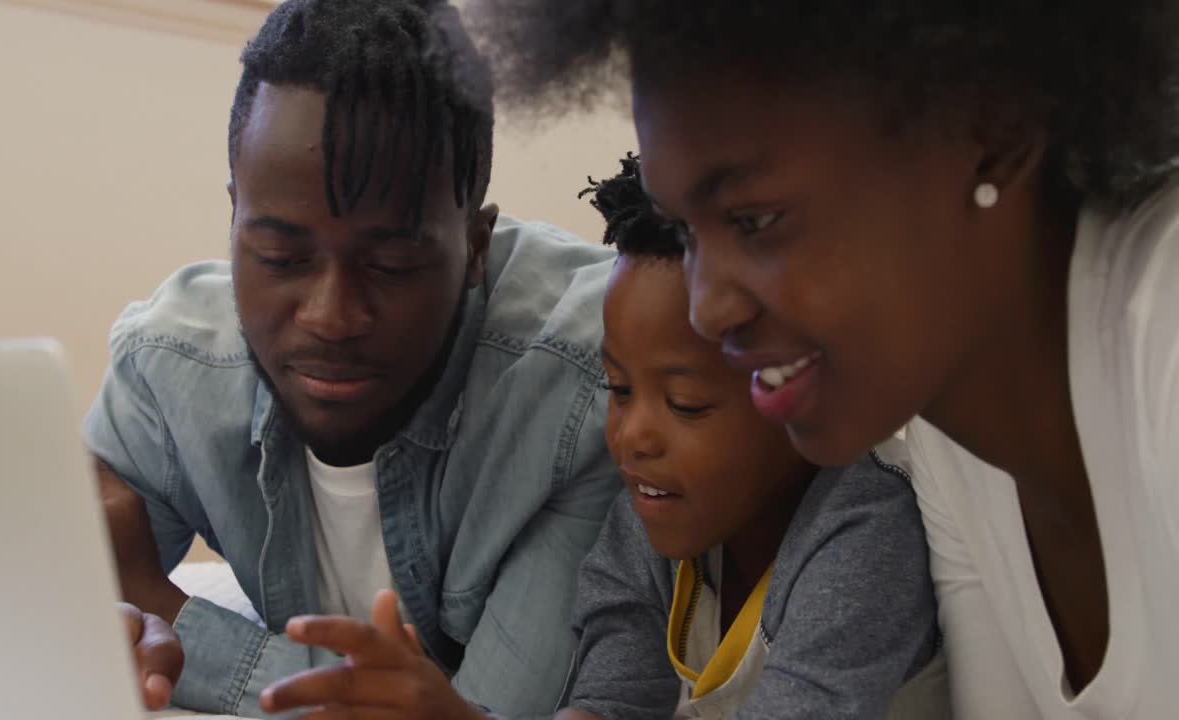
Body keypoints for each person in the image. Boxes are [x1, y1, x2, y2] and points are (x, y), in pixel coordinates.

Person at [464, 2, 1179, 718]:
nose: (709, 308)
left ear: (989, 127)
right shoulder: (946, 443)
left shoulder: (1162, 334)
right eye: (688, 229)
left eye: (754, 219)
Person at [257, 155, 948, 720]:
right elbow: (609, 707)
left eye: (686, 404)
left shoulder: (863, 533)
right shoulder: (648, 529)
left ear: (803, 387)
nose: (633, 437)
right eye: (618, 390)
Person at [89, 0, 621, 716]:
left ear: (475, 246)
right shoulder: (168, 368)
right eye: (281, 257)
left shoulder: (589, 381)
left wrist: (178, 619)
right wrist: (124, 617)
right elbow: (68, 612)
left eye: (394, 264)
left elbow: (483, 713)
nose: (332, 317)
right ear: (235, 219)